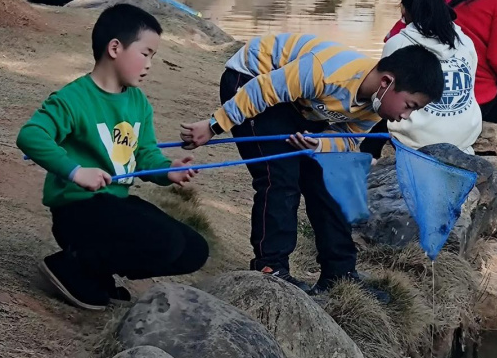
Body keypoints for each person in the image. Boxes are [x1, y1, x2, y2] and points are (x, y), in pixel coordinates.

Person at [179, 33, 444, 293]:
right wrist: (214, 125)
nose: (406, 115)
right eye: (409, 105)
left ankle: (339, 273)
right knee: (280, 176)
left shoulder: (374, 104)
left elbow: (349, 137)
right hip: (253, 79)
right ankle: (271, 268)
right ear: (386, 82)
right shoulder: (326, 71)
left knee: (328, 180)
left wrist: (318, 144)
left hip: (299, 102)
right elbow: (265, 90)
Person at [17, 4, 207, 311]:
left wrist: (167, 170)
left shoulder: (138, 102)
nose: (149, 64)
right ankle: (70, 265)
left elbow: (144, 154)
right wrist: (76, 171)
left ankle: (93, 271)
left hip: (115, 205)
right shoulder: (73, 98)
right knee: (166, 241)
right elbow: (30, 136)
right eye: (146, 53)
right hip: (79, 212)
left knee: (194, 250)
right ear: (115, 48)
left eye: (153, 57)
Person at [381, 0, 482, 154]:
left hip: (414, 146)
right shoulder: (465, 42)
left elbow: (384, 97)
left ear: (404, 9)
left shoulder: (398, 44)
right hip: (463, 145)